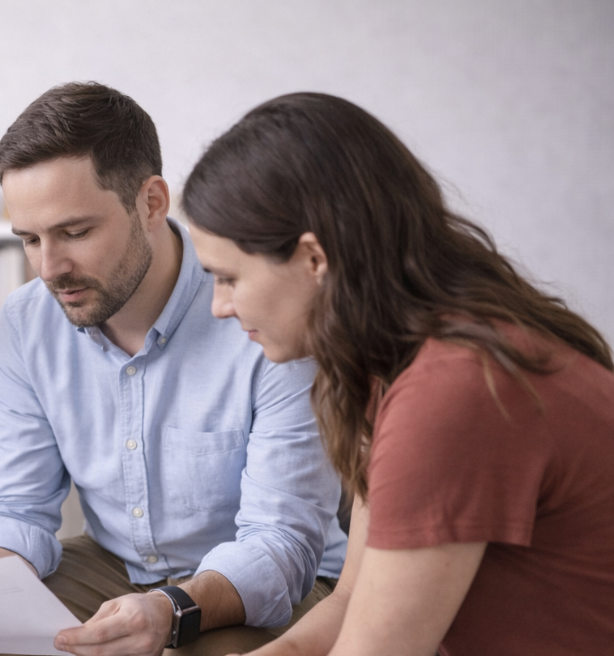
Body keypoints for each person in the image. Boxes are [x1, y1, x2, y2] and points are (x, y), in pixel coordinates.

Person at [0, 82, 347, 656]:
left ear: (151, 203)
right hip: (113, 570)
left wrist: (169, 608)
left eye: (76, 232)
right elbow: (15, 505)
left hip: (269, 585)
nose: (50, 269)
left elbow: (281, 543)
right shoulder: (28, 320)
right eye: (29, 239)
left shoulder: (262, 312)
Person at [181, 92, 614, 655]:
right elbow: (349, 602)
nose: (219, 306)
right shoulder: (403, 362)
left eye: (229, 278)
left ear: (315, 259)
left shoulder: (452, 393)